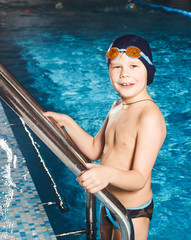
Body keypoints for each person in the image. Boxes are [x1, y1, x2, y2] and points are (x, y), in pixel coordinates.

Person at [44, 35, 167, 240]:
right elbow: (95, 149)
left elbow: (138, 178)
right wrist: (67, 122)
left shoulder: (149, 117)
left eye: (134, 66)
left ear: (149, 70)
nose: (124, 74)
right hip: (108, 203)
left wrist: (106, 174)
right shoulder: (117, 106)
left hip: (131, 213)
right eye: (116, 67)